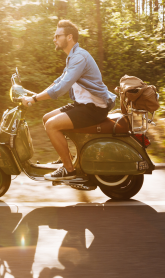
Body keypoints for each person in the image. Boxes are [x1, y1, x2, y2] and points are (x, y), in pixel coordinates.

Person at [22, 20, 116, 181]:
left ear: (69, 37)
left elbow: (61, 88)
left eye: (58, 35)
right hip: (83, 105)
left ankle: (69, 169)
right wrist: (34, 94)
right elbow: (58, 80)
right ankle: (67, 156)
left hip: (94, 108)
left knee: (52, 126)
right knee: (46, 118)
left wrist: (35, 99)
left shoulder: (79, 57)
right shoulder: (73, 56)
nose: (54, 39)